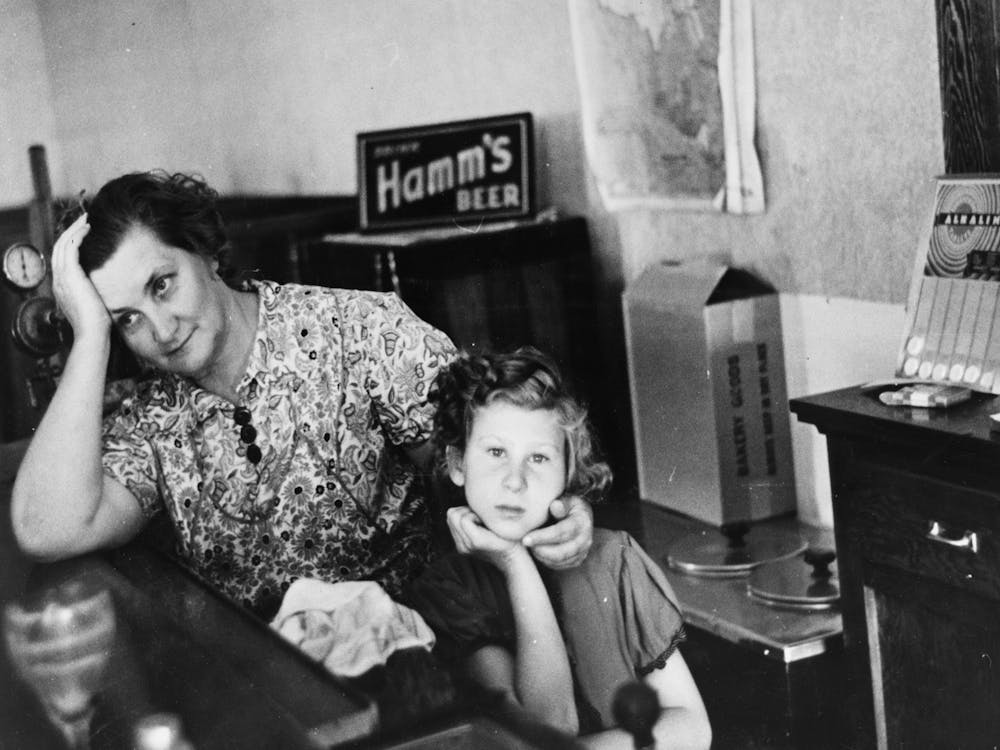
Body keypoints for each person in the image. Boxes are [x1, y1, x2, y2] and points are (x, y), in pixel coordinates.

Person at [10, 170, 594, 620]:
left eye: (162, 285)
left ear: (207, 253)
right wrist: (88, 336)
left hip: (416, 656)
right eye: (128, 320)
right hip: (263, 688)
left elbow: (504, 458)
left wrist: (566, 513)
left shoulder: (364, 332)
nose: (160, 330)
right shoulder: (150, 416)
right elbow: (45, 530)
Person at [403, 348, 712, 749]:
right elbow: (548, 729)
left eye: (539, 457)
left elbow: (692, 726)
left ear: (566, 472)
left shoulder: (611, 559)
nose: (515, 480)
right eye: (496, 452)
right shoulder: (451, 589)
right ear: (458, 463)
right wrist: (515, 564)